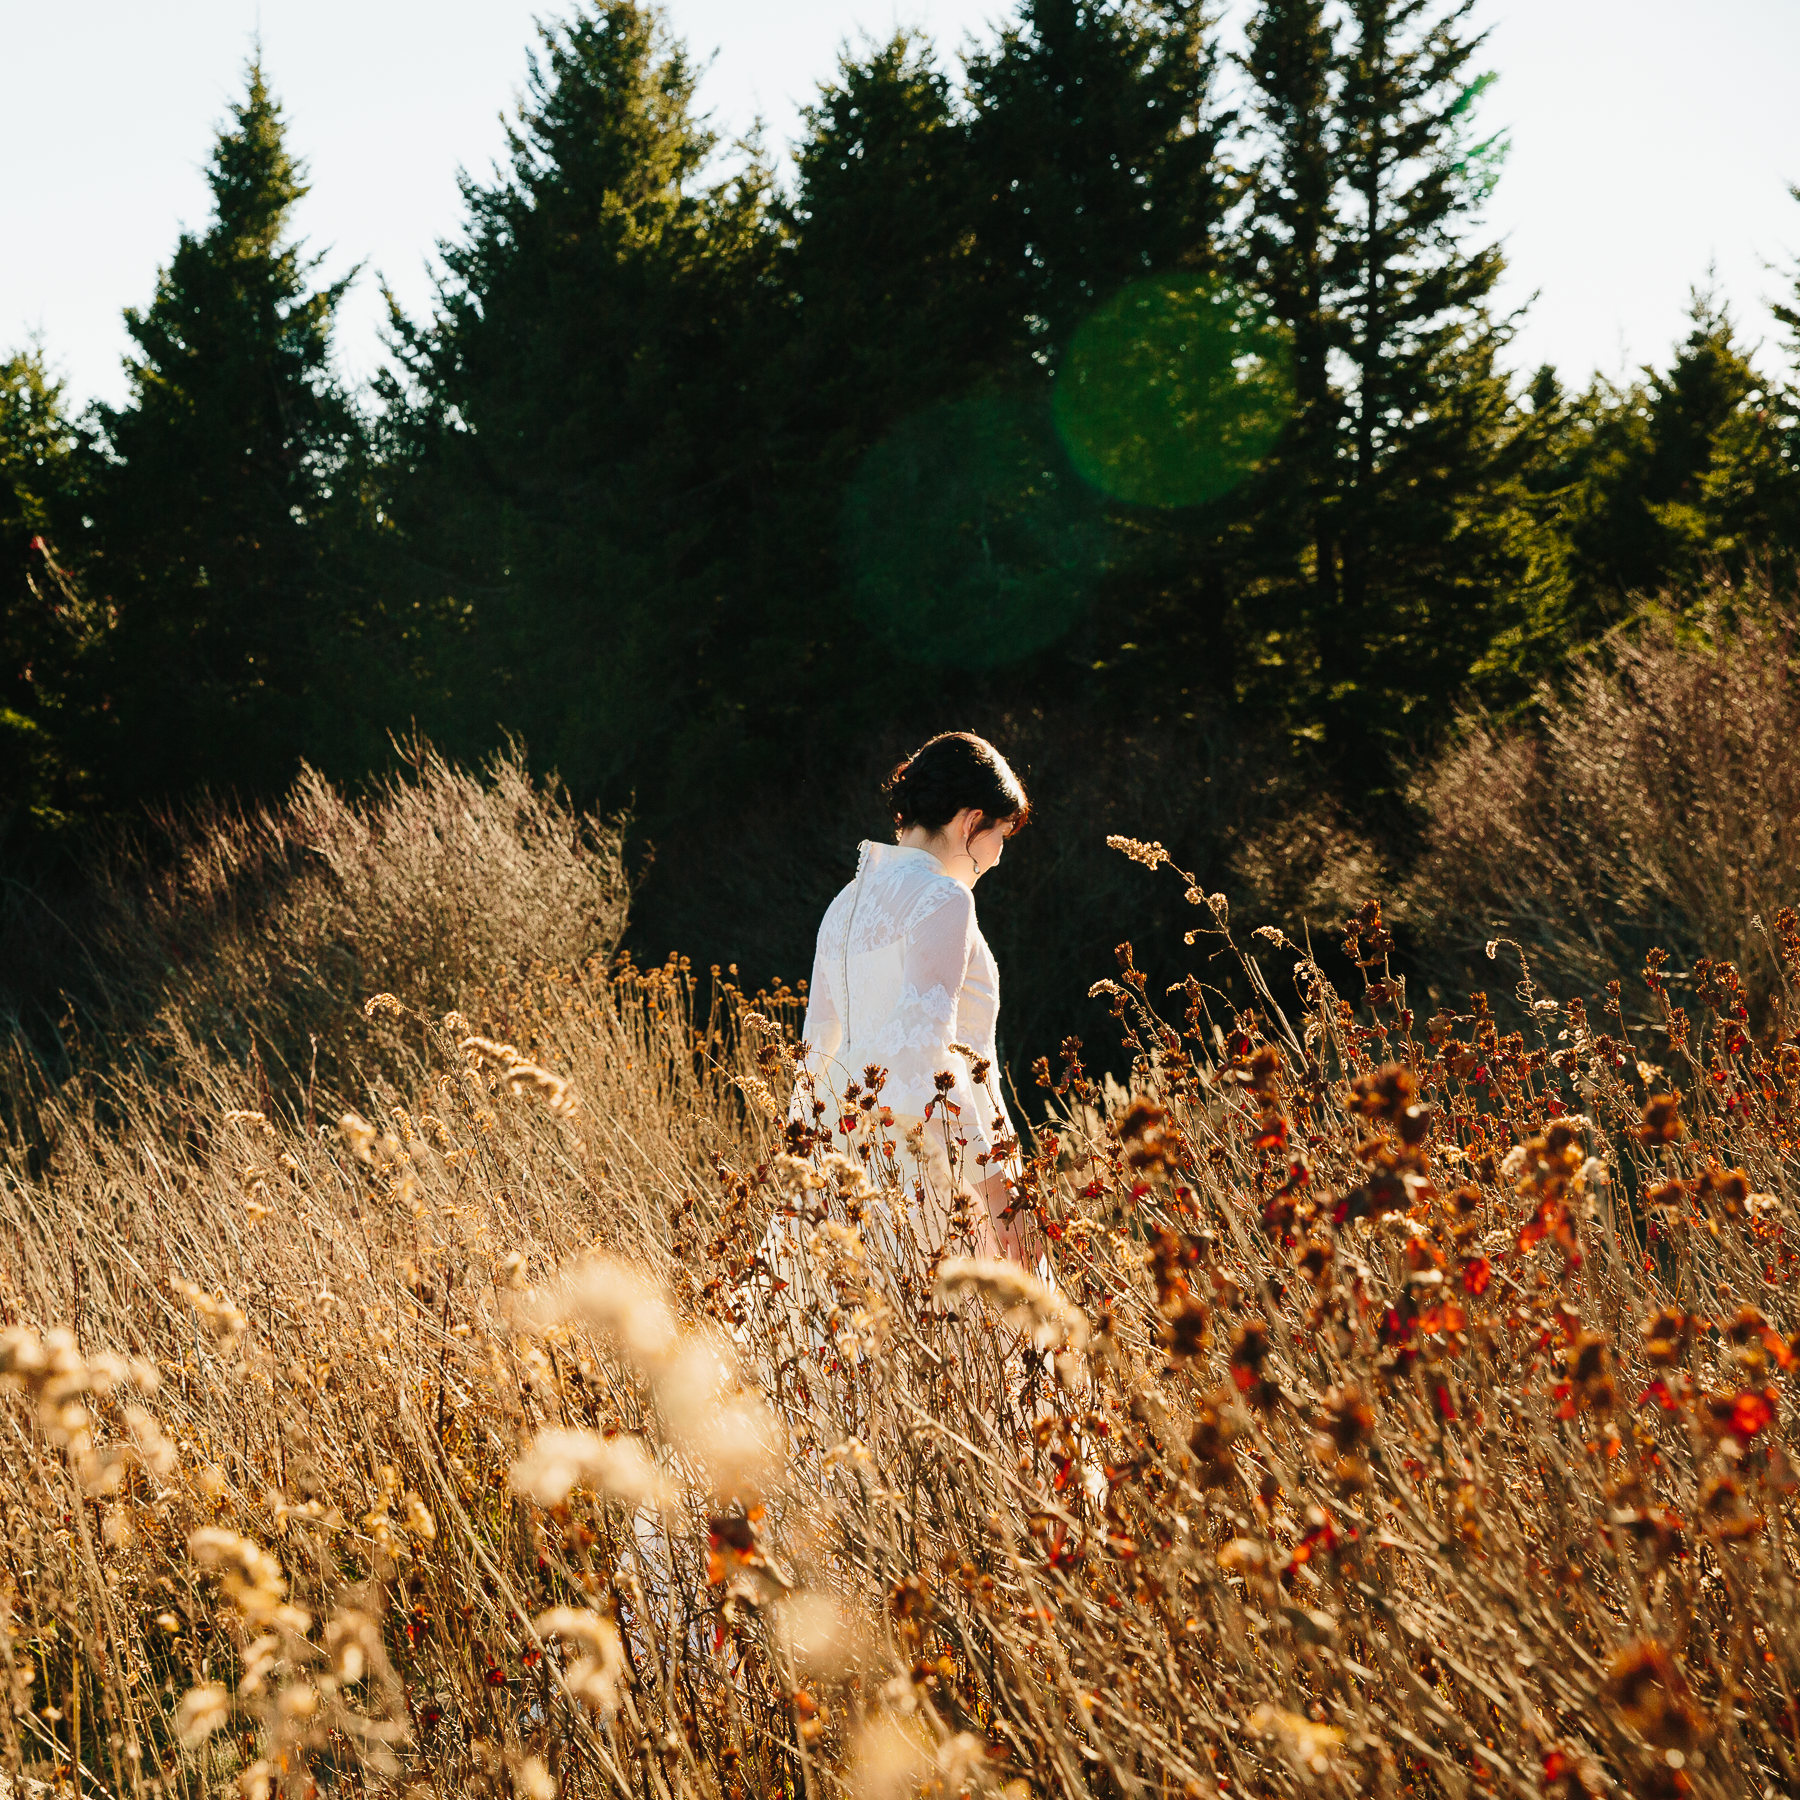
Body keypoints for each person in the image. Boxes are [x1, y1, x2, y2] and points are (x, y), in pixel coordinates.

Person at [790, 731, 1031, 1263]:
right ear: (972, 822)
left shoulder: (843, 906)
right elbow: (927, 1052)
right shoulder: (943, 897)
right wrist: (998, 1194)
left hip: (852, 1166)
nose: (996, 859)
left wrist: (810, 1177)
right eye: (1001, 836)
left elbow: (815, 1056)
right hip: (940, 1173)